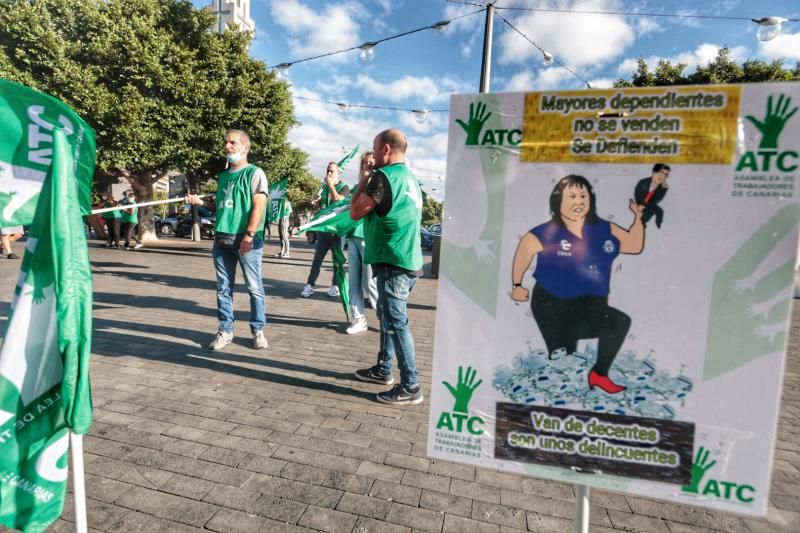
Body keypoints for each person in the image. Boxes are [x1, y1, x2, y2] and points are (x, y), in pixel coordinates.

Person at [510, 175, 645, 395]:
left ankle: (599, 375)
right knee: (565, 359)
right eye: (572, 196)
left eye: (583, 195)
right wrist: (517, 284)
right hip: (552, 304)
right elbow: (525, 249)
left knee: (618, 323)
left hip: (593, 303)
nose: (579, 201)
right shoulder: (548, 230)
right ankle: (556, 400)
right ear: (558, 201)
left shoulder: (604, 228)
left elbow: (634, 245)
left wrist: (638, 219)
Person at [351, 129, 424, 405]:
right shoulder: (412, 179)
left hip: (393, 260)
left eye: (374, 149)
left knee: (396, 322)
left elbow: (355, 210)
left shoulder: (383, 177)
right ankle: (383, 369)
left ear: (385, 149)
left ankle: (411, 386)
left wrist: (364, 178)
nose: (372, 156)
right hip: (409, 259)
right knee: (388, 318)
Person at [187, 129, 269, 350]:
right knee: (224, 288)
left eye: (233, 143)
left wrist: (249, 235)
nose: (228, 147)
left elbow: (259, 206)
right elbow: (220, 207)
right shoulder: (223, 176)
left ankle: (258, 330)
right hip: (222, 239)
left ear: (245, 147)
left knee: (254, 287)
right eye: (226, 142)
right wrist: (200, 203)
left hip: (247, 240)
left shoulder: (255, 173)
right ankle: (225, 330)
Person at [299, 162, 350, 298]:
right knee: (317, 259)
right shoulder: (325, 187)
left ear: (338, 173)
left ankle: (335, 285)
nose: (328, 174)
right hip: (323, 230)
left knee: (336, 260)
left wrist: (331, 185)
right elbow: (323, 208)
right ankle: (310, 284)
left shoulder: (344, 187)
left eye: (331, 171)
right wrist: (316, 201)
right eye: (327, 171)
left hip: (337, 230)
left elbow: (338, 201)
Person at [345, 151, 379, 334]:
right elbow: (352, 205)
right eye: (365, 163)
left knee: (369, 282)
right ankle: (358, 318)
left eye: (371, 162)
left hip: (368, 237)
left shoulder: (381, 182)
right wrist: (364, 178)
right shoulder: (361, 184)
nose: (368, 165)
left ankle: (385, 315)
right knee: (353, 282)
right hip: (353, 236)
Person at [634, 163, 670, 228]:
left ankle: (659, 225)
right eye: (661, 173)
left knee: (660, 211)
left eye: (666, 175)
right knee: (649, 211)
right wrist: (640, 204)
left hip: (650, 204)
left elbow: (658, 199)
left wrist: (663, 189)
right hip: (640, 202)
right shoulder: (643, 182)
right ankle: (642, 222)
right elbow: (637, 193)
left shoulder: (661, 187)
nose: (662, 177)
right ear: (653, 173)